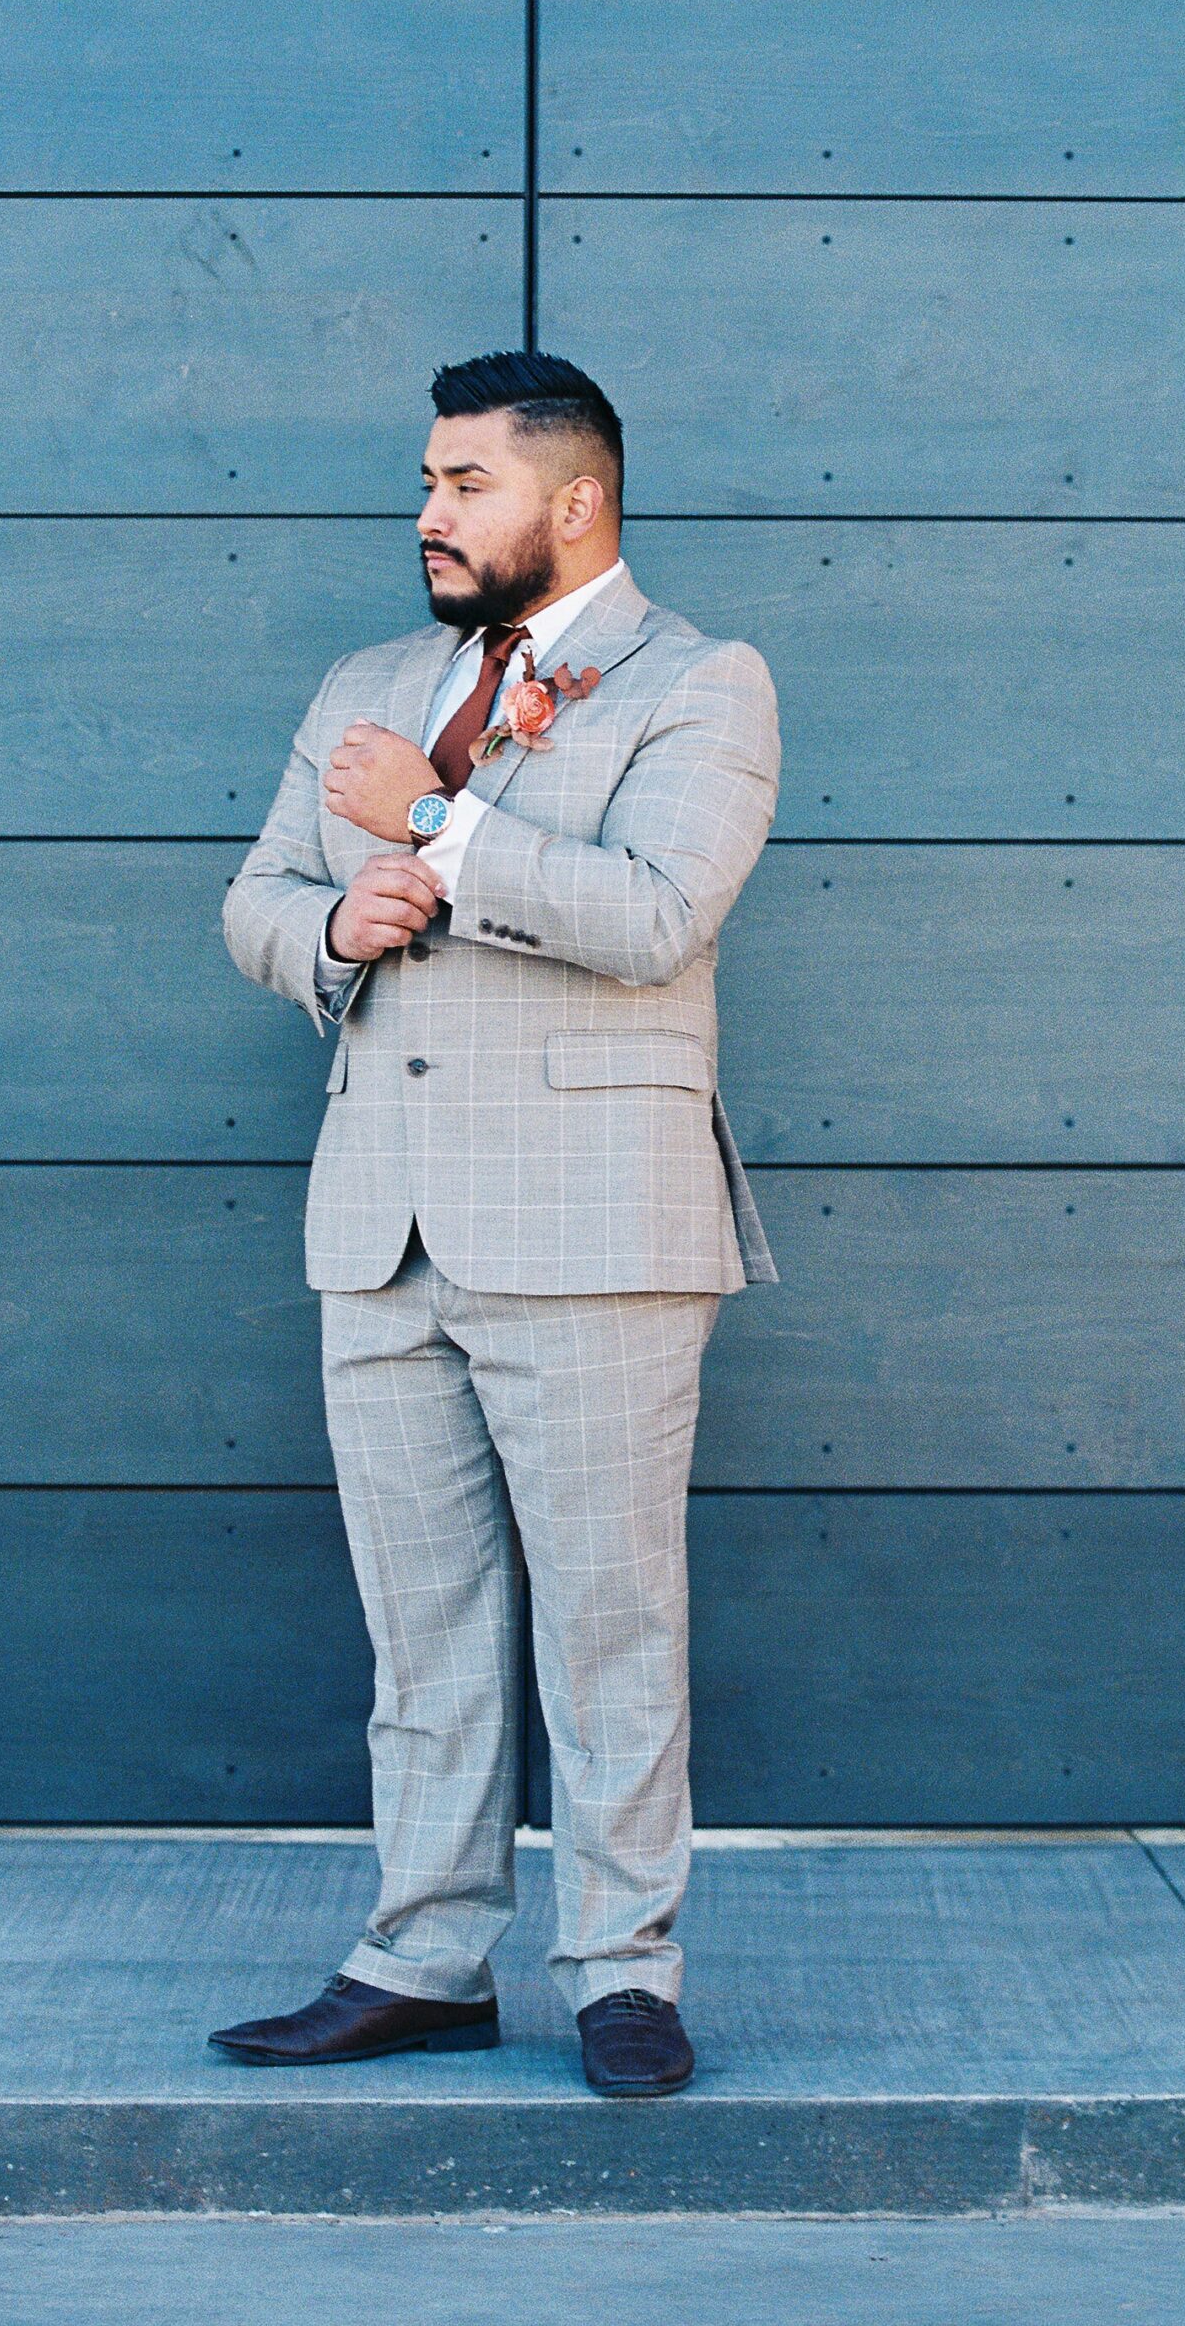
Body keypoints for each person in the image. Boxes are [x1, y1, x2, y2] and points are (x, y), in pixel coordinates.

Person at [210, 350, 779, 2097]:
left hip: (595, 1230)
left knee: (612, 1619)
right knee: (421, 1628)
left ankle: (622, 1973)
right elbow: (253, 897)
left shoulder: (700, 682)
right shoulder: (370, 680)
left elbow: (657, 916)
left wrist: (439, 829)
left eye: (463, 483)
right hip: (378, 1226)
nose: (428, 512)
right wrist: (335, 924)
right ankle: (425, 1957)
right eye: (429, 481)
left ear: (573, 498)